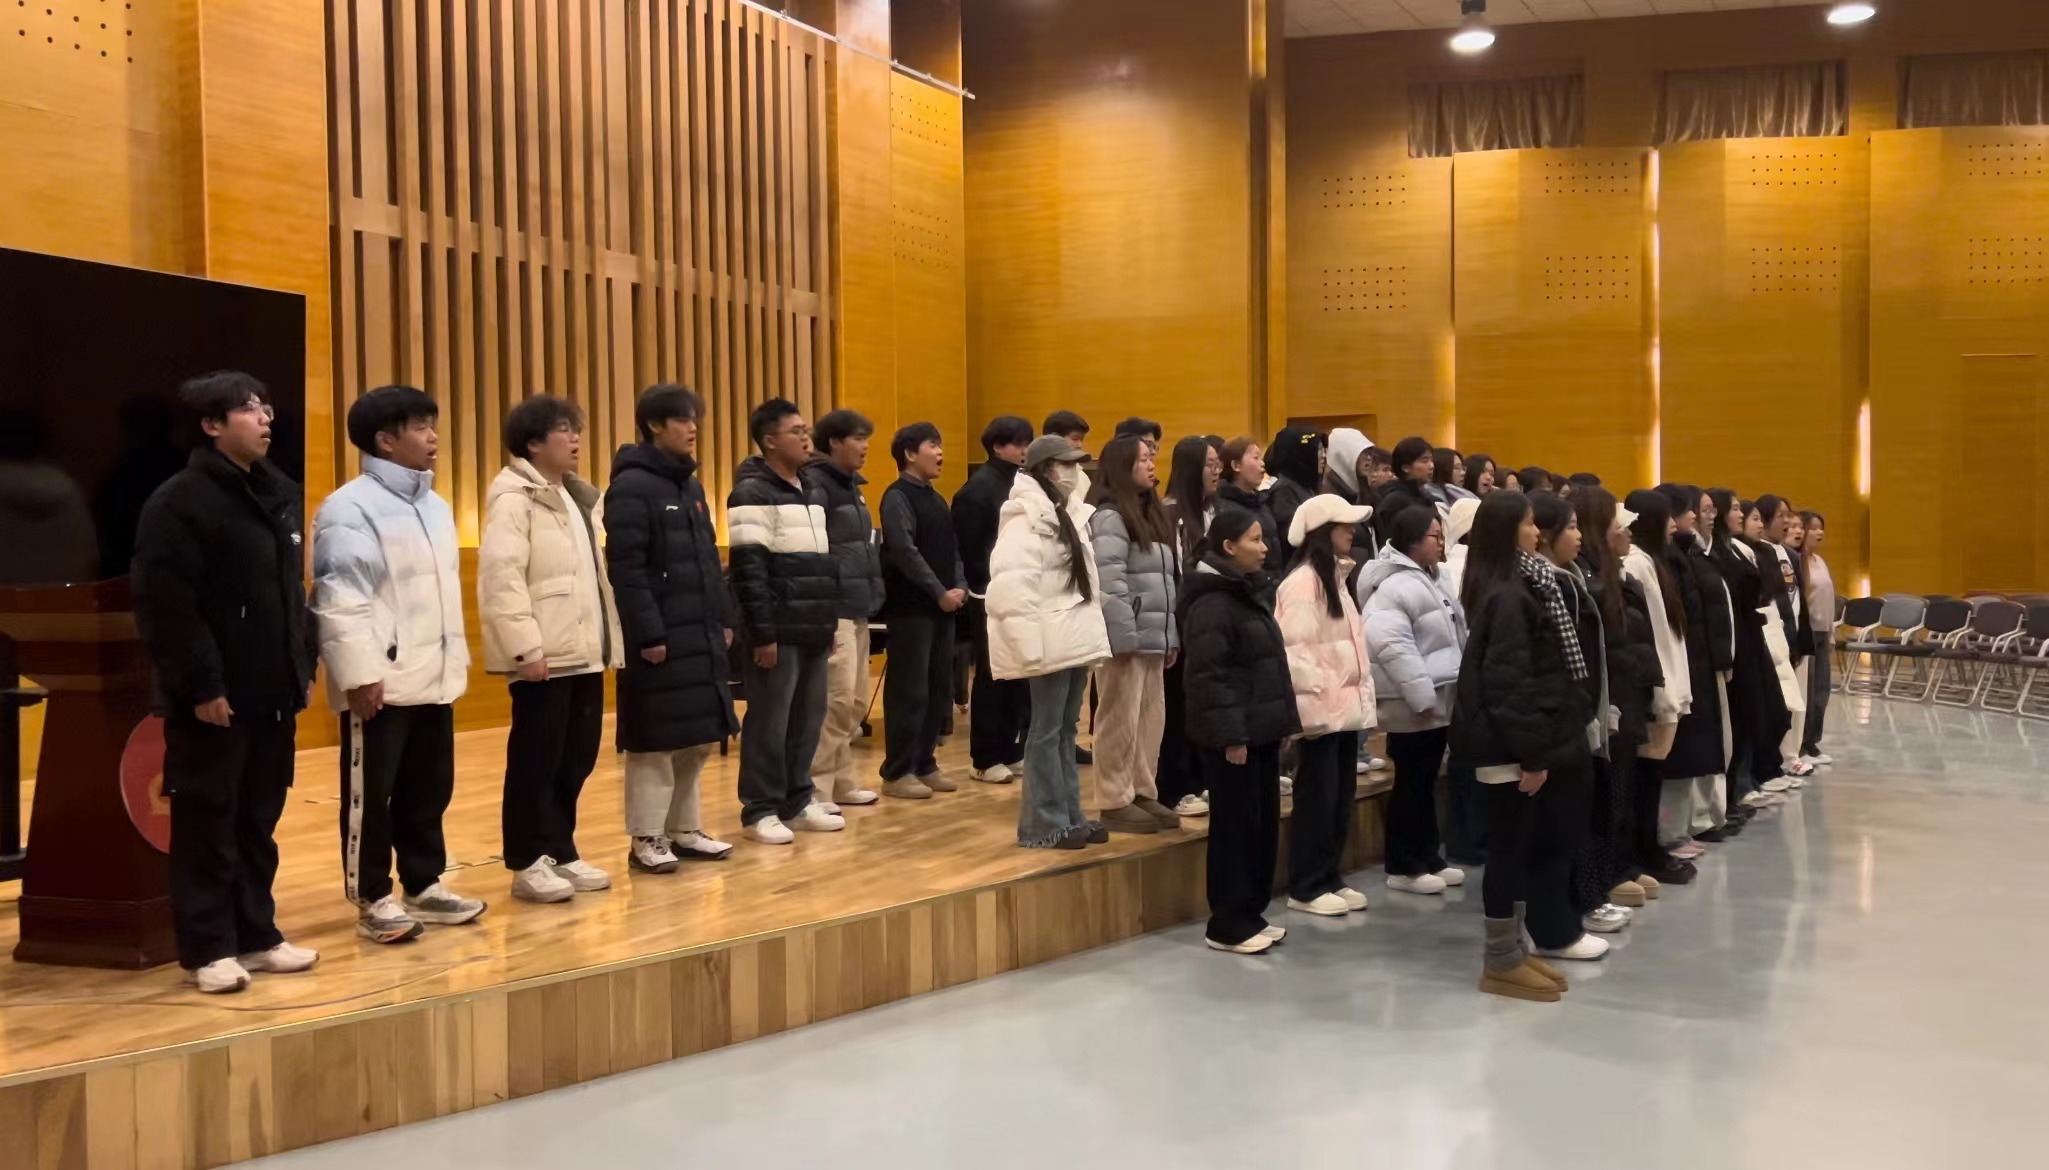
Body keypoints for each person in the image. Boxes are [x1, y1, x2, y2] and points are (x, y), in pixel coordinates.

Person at [132, 371, 319, 993]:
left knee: (258, 820)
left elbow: (290, 596)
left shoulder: (277, 492)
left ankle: (257, 934)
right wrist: (203, 685)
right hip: (214, 697)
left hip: (272, 690)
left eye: (266, 407)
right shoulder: (179, 502)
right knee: (208, 821)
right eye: (248, 409)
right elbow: (168, 607)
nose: (266, 418)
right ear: (212, 425)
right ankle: (208, 948)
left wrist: (302, 665)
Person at [313, 385, 484, 943]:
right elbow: (340, 597)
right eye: (420, 427)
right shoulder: (349, 507)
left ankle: (424, 883)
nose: (433, 436)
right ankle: (372, 897)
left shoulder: (436, 506)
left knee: (428, 790)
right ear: (385, 441)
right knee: (372, 797)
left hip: (434, 674)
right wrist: (360, 673)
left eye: (433, 424)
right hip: (380, 682)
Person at [1456, 490, 1605, 1003]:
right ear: (1507, 531)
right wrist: (1534, 756)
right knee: (1507, 852)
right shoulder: (1509, 596)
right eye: (1527, 524)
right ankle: (1499, 959)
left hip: (1520, 745)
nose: (1536, 532)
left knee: (1517, 848)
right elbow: (1510, 686)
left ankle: (1514, 950)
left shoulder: (1519, 586)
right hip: (1510, 750)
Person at [477, 394, 624, 904]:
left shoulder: (577, 498)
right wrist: (525, 648)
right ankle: (526, 861)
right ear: (533, 443)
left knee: (575, 759)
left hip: (583, 652)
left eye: (575, 428)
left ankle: (561, 848)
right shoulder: (514, 498)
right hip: (544, 656)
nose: (575, 437)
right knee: (535, 762)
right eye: (563, 429)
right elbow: (502, 579)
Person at [605, 385, 739, 875]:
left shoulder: (691, 486)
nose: (692, 427)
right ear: (655, 425)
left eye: (694, 418)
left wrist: (723, 618)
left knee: (697, 739)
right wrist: (649, 635)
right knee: (655, 742)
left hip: (699, 631)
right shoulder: (631, 486)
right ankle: (647, 836)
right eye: (682, 419)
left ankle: (685, 829)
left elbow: (708, 560)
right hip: (661, 637)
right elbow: (626, 570)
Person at [1180, 508, 1301, 954]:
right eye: (1254, 540)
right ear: (1229, 547)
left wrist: (1281, 723)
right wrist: (1231, 735)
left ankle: (1251, 912)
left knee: (1261, 825)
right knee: (1235, 827)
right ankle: (1227, 922)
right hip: (1235, 738)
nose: (1264, 548)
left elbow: (1268, 666)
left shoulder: (1247, 592)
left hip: (1260, 731)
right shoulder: (1212, 602)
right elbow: (1210, 677)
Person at [727, 398, 843, 844]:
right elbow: (749, 570)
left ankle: (797, 800)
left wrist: (827, 624)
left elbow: (823, 565)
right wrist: (763, 634)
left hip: (813, 626)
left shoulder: (813, 490)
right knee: (769, 723)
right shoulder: (751, 493)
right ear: (770, 440)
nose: (806, 437)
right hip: (777, 630)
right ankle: (760, 808)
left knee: (808, 719)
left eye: (805, 429)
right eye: (796, 431)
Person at [986, 436, 1110, 849]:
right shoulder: (1024, 517)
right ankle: (1041, 824)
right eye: (1065, 463)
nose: (1074, 471)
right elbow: (1012, 589)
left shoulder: (1070, 511)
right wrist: (1028, 650)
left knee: (1064, 730)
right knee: (1045, 730)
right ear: (1045, 468)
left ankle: (1070, 814)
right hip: (1048, 638)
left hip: (1072, 634)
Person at [1531, 491, 1632, 938]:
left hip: (1587, 710)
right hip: (1563, 719)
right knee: (1565, 822)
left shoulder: (1571, 577)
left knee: (1589, 809)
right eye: (1568, 528)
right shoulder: (1544, 585)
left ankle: (1588, 897)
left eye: (1577, 525)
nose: (1577, 536)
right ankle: (1572, 910)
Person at [1358, 503, 1467, 895]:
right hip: (1413, 704)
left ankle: (1428, 855)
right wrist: (1421, 696)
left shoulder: (1433, 577)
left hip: (1437, 700)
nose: (1441, 543)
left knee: (1426, 782)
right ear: (1413, 541)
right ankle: (1404, 866)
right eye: (1435, 536)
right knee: (1410, 784)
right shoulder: (1395, 586)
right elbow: (1391, 644)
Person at [1275, 495, 1377, 916]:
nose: (1351, 532)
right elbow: (1296, 654)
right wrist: (1313, 712)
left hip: (1343, 711)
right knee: (1317, 800)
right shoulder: (1303, 584)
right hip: (1322, 714)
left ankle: (1329, 875)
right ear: (1321, 532)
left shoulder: (1336, 578)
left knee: (1339, 799)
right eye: (1342, 525)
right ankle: (1306, 885)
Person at [1083, 435, 1182, 834]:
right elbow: (1110, 583)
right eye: (1143, 459)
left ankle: (1141, 789)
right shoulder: (1109, 516)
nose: (1152, 464)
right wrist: (1122, 637)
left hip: (1152, 638)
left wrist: (1169, 635)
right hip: (1126, 639)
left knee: (1149, 719)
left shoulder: (1150, 515)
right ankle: (1113, 799)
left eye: (1152, 457)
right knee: (1118, 719)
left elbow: (1165, 584)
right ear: (1123, 466)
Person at [1574, 486, 1664, 910]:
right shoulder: (1586, 580)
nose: (1626, 530)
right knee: (1608, 791)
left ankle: (1623, 863)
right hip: (1608, 697)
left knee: (1624, 785)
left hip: (1629, 690)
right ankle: (1608, 872)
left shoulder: (1618, 574)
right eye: (1617, 523)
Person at [877, 422, 967, 799]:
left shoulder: (937, 499)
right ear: (910, 454)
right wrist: (938, 591)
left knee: (936, 689)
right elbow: (904, 552)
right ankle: (897, 771)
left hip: (942, 608)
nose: (941, 452)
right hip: (911, 610)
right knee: (909, 691)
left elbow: (953, 549)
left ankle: (925, 762)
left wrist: (959, 585)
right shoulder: (897, 497)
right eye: (933, 445)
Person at [805, 409, 885, 810]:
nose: (865, 446)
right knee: (835, 702)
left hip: (858, 605)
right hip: (834, 607)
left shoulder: (854, 487)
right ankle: (816, 789)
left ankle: (842, 782)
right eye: (857, 438)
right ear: (834, 442)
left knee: (854, 703)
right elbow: (816, 550)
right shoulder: (817, 485)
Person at [954, 416, 1035, 785]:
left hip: (1020, 591)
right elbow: (972, 550)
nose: (1025, 450)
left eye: (1027, 442)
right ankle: (984, 757)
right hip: (988, 594)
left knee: (1018, 675)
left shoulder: (1022, 484)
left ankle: (1009, 748)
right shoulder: (978, 490)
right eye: (1019, 443)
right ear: (998, 446)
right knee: (992, 674)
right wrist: (989, 585)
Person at [1621, 490, 1697, 886]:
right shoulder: (1636, 563)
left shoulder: (1652, 561)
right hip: (1656, 684)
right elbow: (1648, 634)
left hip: (1668, 679)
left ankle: (1649, 847)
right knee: (1645, 774)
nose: (1673, 525)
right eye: (1666, 517)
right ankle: (1644, 849)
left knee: (1653, 770)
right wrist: (1663, 689)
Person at [1658, 484, 1734, 851]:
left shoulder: (1692, 554)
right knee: (1681, 754)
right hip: (1682, 664)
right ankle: (1674, 831)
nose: (1694, 515)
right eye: (1690, 508)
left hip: (1701, 661)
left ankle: (1696, 821)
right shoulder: (1664, 560)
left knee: (1702, 749)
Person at [1707, 489, 1792, 809]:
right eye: (1734, 509)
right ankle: (1739, 785)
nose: (1740, 515)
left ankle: (1750, 776)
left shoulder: (1737, 550)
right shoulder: (1713, 554)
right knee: (1742, 713)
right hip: (1736, 642)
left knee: (1764, 709)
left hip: (1752, 637)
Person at [1159, 435, 1222, 817]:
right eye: (1210, 464)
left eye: (1218, 463)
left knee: (1204, 704)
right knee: (1176, 709)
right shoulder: (1170, 515)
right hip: (1179, 625)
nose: (1217, 471)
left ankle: (1202, 779)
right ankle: (1174, 787)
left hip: (1208, 623)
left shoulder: (1213, 512)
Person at [1756, 495, 1815, 781]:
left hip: (1794, 635)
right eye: (1780, 515)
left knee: (1797, 700)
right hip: (1773, 637)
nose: (1787, 521)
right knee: (1780, 702)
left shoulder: (1789, 555)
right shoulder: (1759, 553)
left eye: (1788, 515)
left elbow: (1798, 599)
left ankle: (1793, 755)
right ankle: (1779, 758)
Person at [1798, 510, 1836, 767]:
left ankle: (1813, 742)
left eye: (1821, 527)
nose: (1819, 532)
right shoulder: (1798, 561)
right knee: (1807, 692)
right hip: (1807, 632)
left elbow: (1828, 599)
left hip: (1823, 631)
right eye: (1813, 528)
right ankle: (1800, 743)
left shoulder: (1819, 561)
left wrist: (1831, 632)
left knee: (1822, 690)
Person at [1263, 426, 1325, 570]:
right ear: (1301, 453)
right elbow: (1291, 538)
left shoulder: (1306, 485)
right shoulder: (1284, 490)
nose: (1323, 456)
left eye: (1323, 450)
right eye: (1318, 450)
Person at [1215, 436, 1278, 566]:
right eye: (1256, 458)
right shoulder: (1225, 507)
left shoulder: (1261, 501)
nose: (1262, 463)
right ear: (1236, 465)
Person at [1372, 437, 1435, 544]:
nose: (1431, 466)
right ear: (1406, 467)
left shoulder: (1425, 496)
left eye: (1431, 460)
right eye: (1424, 461)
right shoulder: (1395, 501)